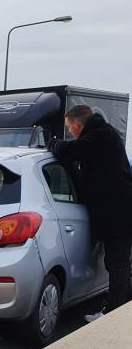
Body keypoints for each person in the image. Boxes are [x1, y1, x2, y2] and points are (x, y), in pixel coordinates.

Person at [50, 105, 132, 322]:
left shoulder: (100, 136)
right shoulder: (104, 134)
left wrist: (53, 142)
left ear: (78, 124)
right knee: (119, 264)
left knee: (117, 264)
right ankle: (118, 309)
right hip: (118, 211)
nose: (70, 132)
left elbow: (68, 151)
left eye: (70, 128)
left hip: (119, 214)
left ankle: (112, 315)